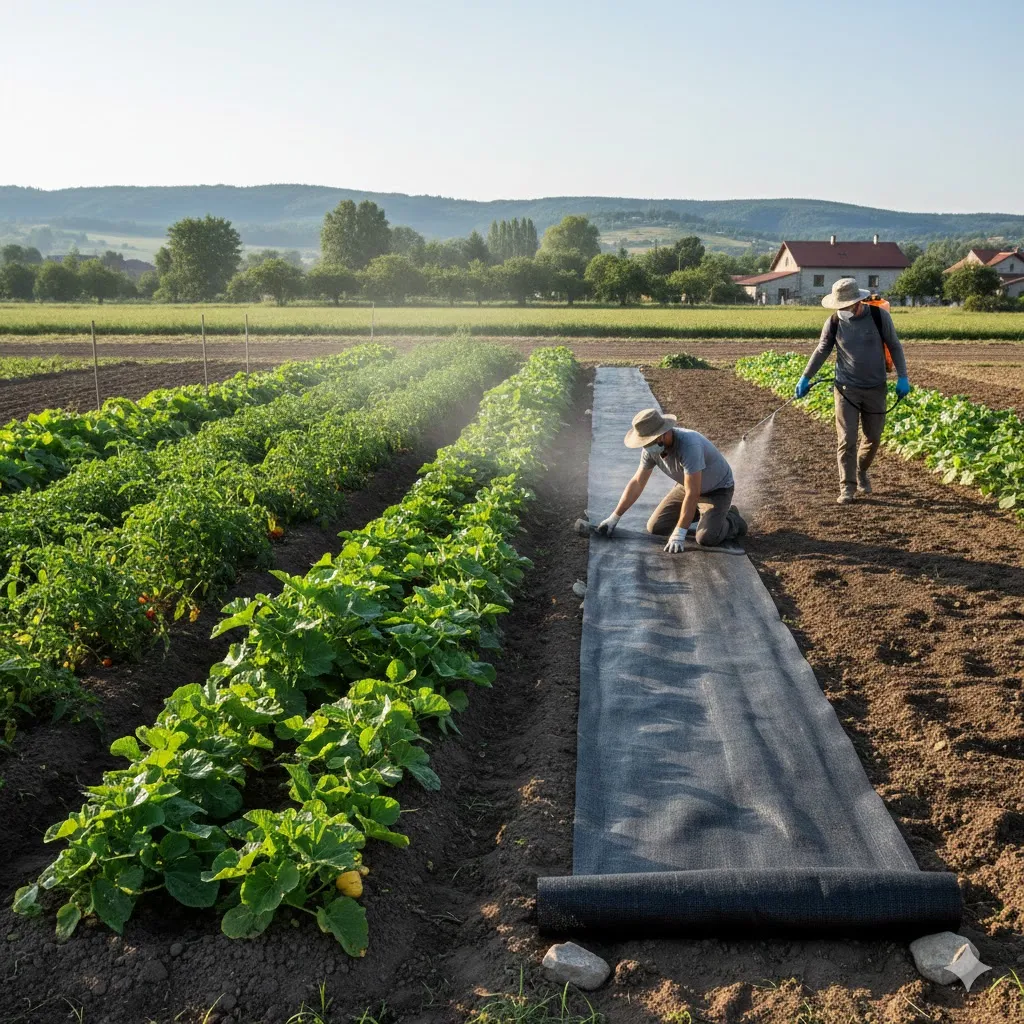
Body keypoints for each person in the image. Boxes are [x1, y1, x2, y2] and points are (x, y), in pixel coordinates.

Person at [795, 277, 911, 504]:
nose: (842, 310)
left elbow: (895, 346)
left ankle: (861, 470)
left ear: (858, 302)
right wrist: (806, 377)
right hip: (846, 387)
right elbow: (822, 350)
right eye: (839, 306)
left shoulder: (879, 317)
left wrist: (903, 377)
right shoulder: (833, 322)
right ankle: (847, 487)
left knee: (873, 437)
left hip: (876, 387)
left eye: (846, 305)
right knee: (847, 438)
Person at [596, 407, 746, 553]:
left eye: (649, 441)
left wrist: (679, 533)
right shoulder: (650, 450)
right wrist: (614, 517)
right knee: (656, 527)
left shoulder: (689, 445)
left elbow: (693, 493)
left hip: (716, 490)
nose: (646, 447)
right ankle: (702, 514)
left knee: (706, 537)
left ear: (661, 435)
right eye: (644, 442)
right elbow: (637, 482)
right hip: (687, 485)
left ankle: (732, 519)